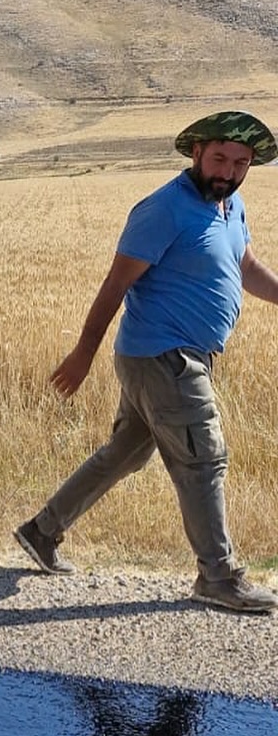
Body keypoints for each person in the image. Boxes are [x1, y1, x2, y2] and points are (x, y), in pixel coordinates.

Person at [15, 110, 278, 614]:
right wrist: (83, 352)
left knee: (127, 452)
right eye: (219, 158)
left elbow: (246, 265)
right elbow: (116, 284)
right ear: (196, 153)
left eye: (240, 162)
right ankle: (218, 576)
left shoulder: (230, 205)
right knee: (203, 458)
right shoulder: (164, 209)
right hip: (164, 357)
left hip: (175, 357)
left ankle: (41, 531)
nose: (227, 170)